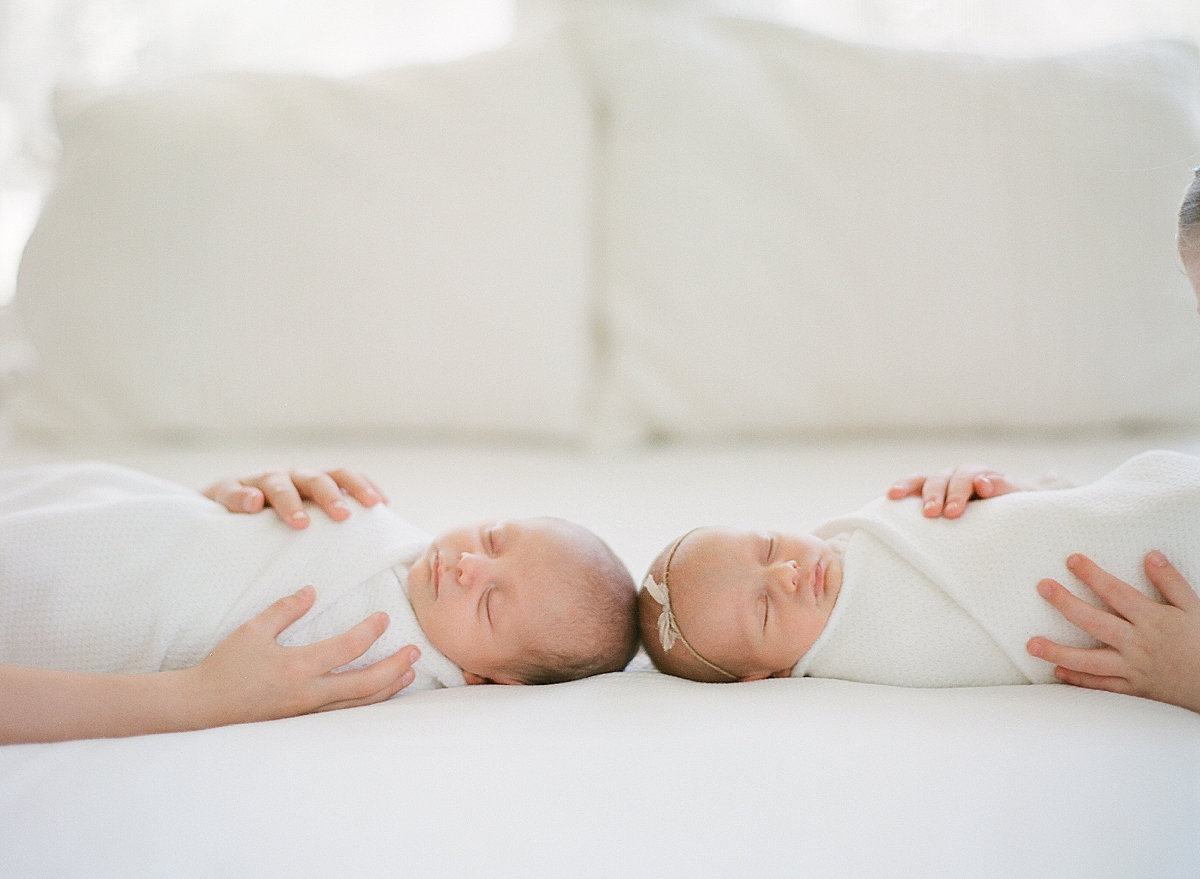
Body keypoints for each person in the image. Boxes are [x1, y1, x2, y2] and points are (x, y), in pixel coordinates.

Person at [1, 462, 637, 744]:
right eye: (496, 538)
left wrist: (204, 697)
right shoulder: (387, 526)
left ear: (487, 680)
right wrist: (226, 502)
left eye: (493, 606)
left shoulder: (393, 665)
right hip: (84, 513)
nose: (472, 564)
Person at [637, 450, 1200, 714]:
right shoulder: (864, 661)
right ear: (763, 677)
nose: (784, 572)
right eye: (763, 609)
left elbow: (1041, 523)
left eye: (767, 546)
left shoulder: (865, 528)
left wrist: (1014, 498)